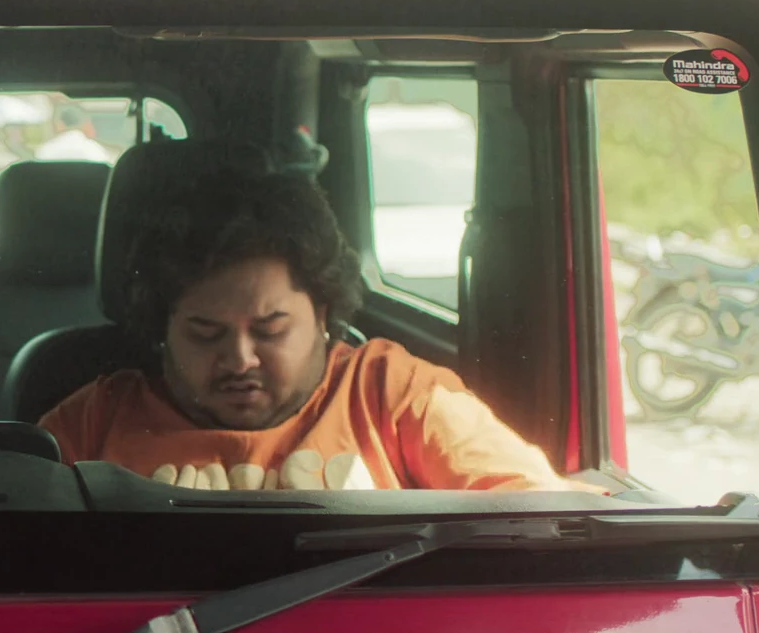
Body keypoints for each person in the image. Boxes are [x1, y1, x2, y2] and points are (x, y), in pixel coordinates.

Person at [38, 161, 602, 492]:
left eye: (270, 329)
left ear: (323, 315)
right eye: (206, 334)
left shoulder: (393, 395)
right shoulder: (92, 423)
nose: (239, 359)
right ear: (163, 328)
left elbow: (539, 511)